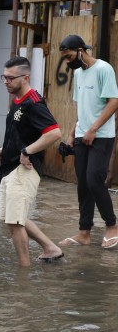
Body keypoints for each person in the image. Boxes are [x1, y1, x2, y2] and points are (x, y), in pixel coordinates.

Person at [0, 56, 64, 267]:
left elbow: (54, 133)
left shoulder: (34, 103)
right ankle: (51, 248)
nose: (6, 82)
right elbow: (22, 132)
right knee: (13, 218)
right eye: (4, 77)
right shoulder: (17, 101)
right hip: (11, 166)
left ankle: (23, 273)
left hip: (25, 168)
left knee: (15, 222)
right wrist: (5, 149)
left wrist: (27, 151)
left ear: (25, 77)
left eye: (11, 78)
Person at [57, 35, 118, 249]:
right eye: (65, 58)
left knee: (94, 180)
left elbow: (114, 101)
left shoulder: (103, 69)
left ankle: (112, 226)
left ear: (81, 51)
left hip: (101, 136)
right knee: (83, 183)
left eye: (69, 56)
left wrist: (93, 129)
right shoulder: (78, 73)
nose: (67, 61)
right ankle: (84, 232)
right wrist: (72, 135)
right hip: (82, 135)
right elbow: (82, 108)